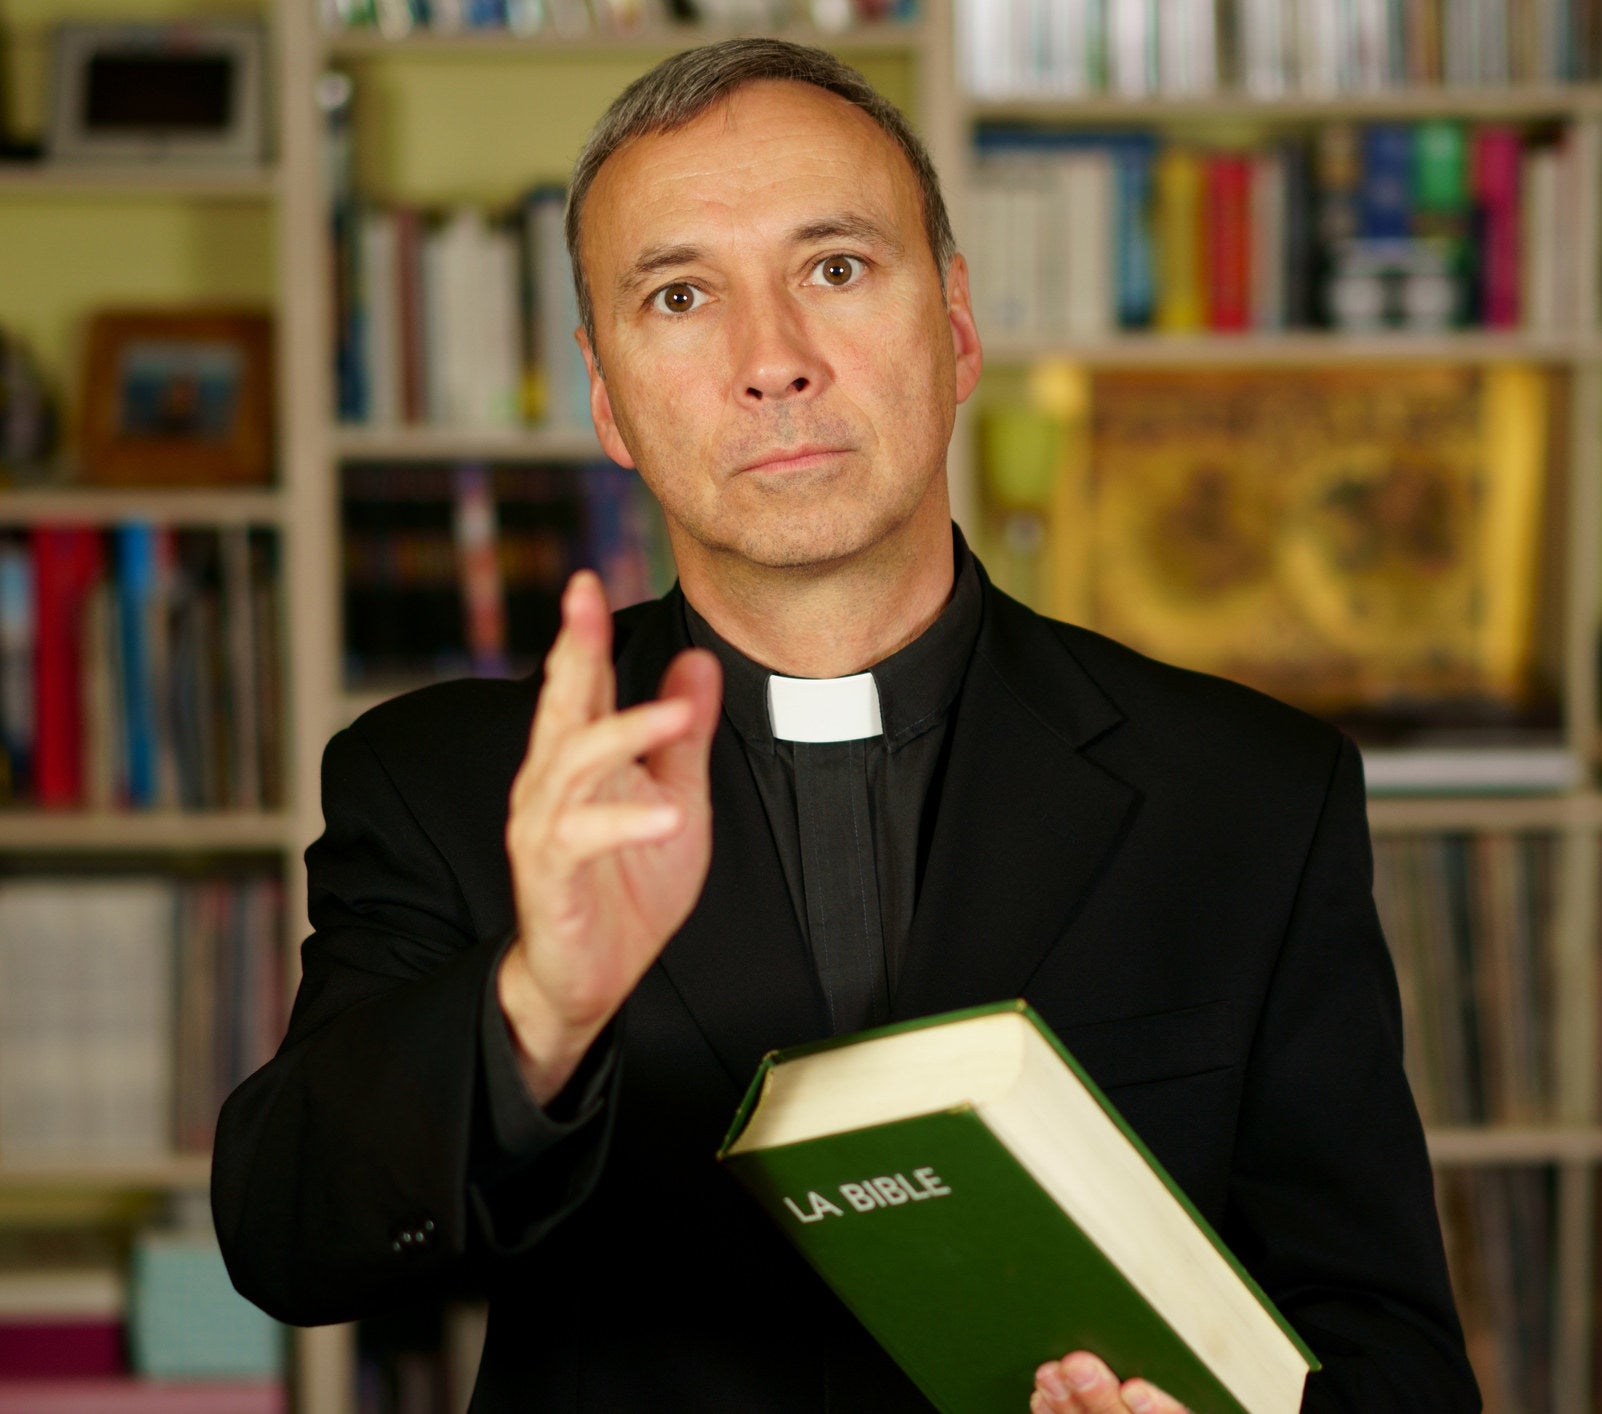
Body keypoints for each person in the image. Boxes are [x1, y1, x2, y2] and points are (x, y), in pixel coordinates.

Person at [212, 39, 1480, 1414]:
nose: (773, 362)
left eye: (833, 267)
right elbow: (288, 1239)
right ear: (605, 395)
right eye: (681, 294)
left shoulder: (1248, 792)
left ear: (955, 327)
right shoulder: (448, 783)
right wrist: (537, 1006)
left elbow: (1391, 1355)